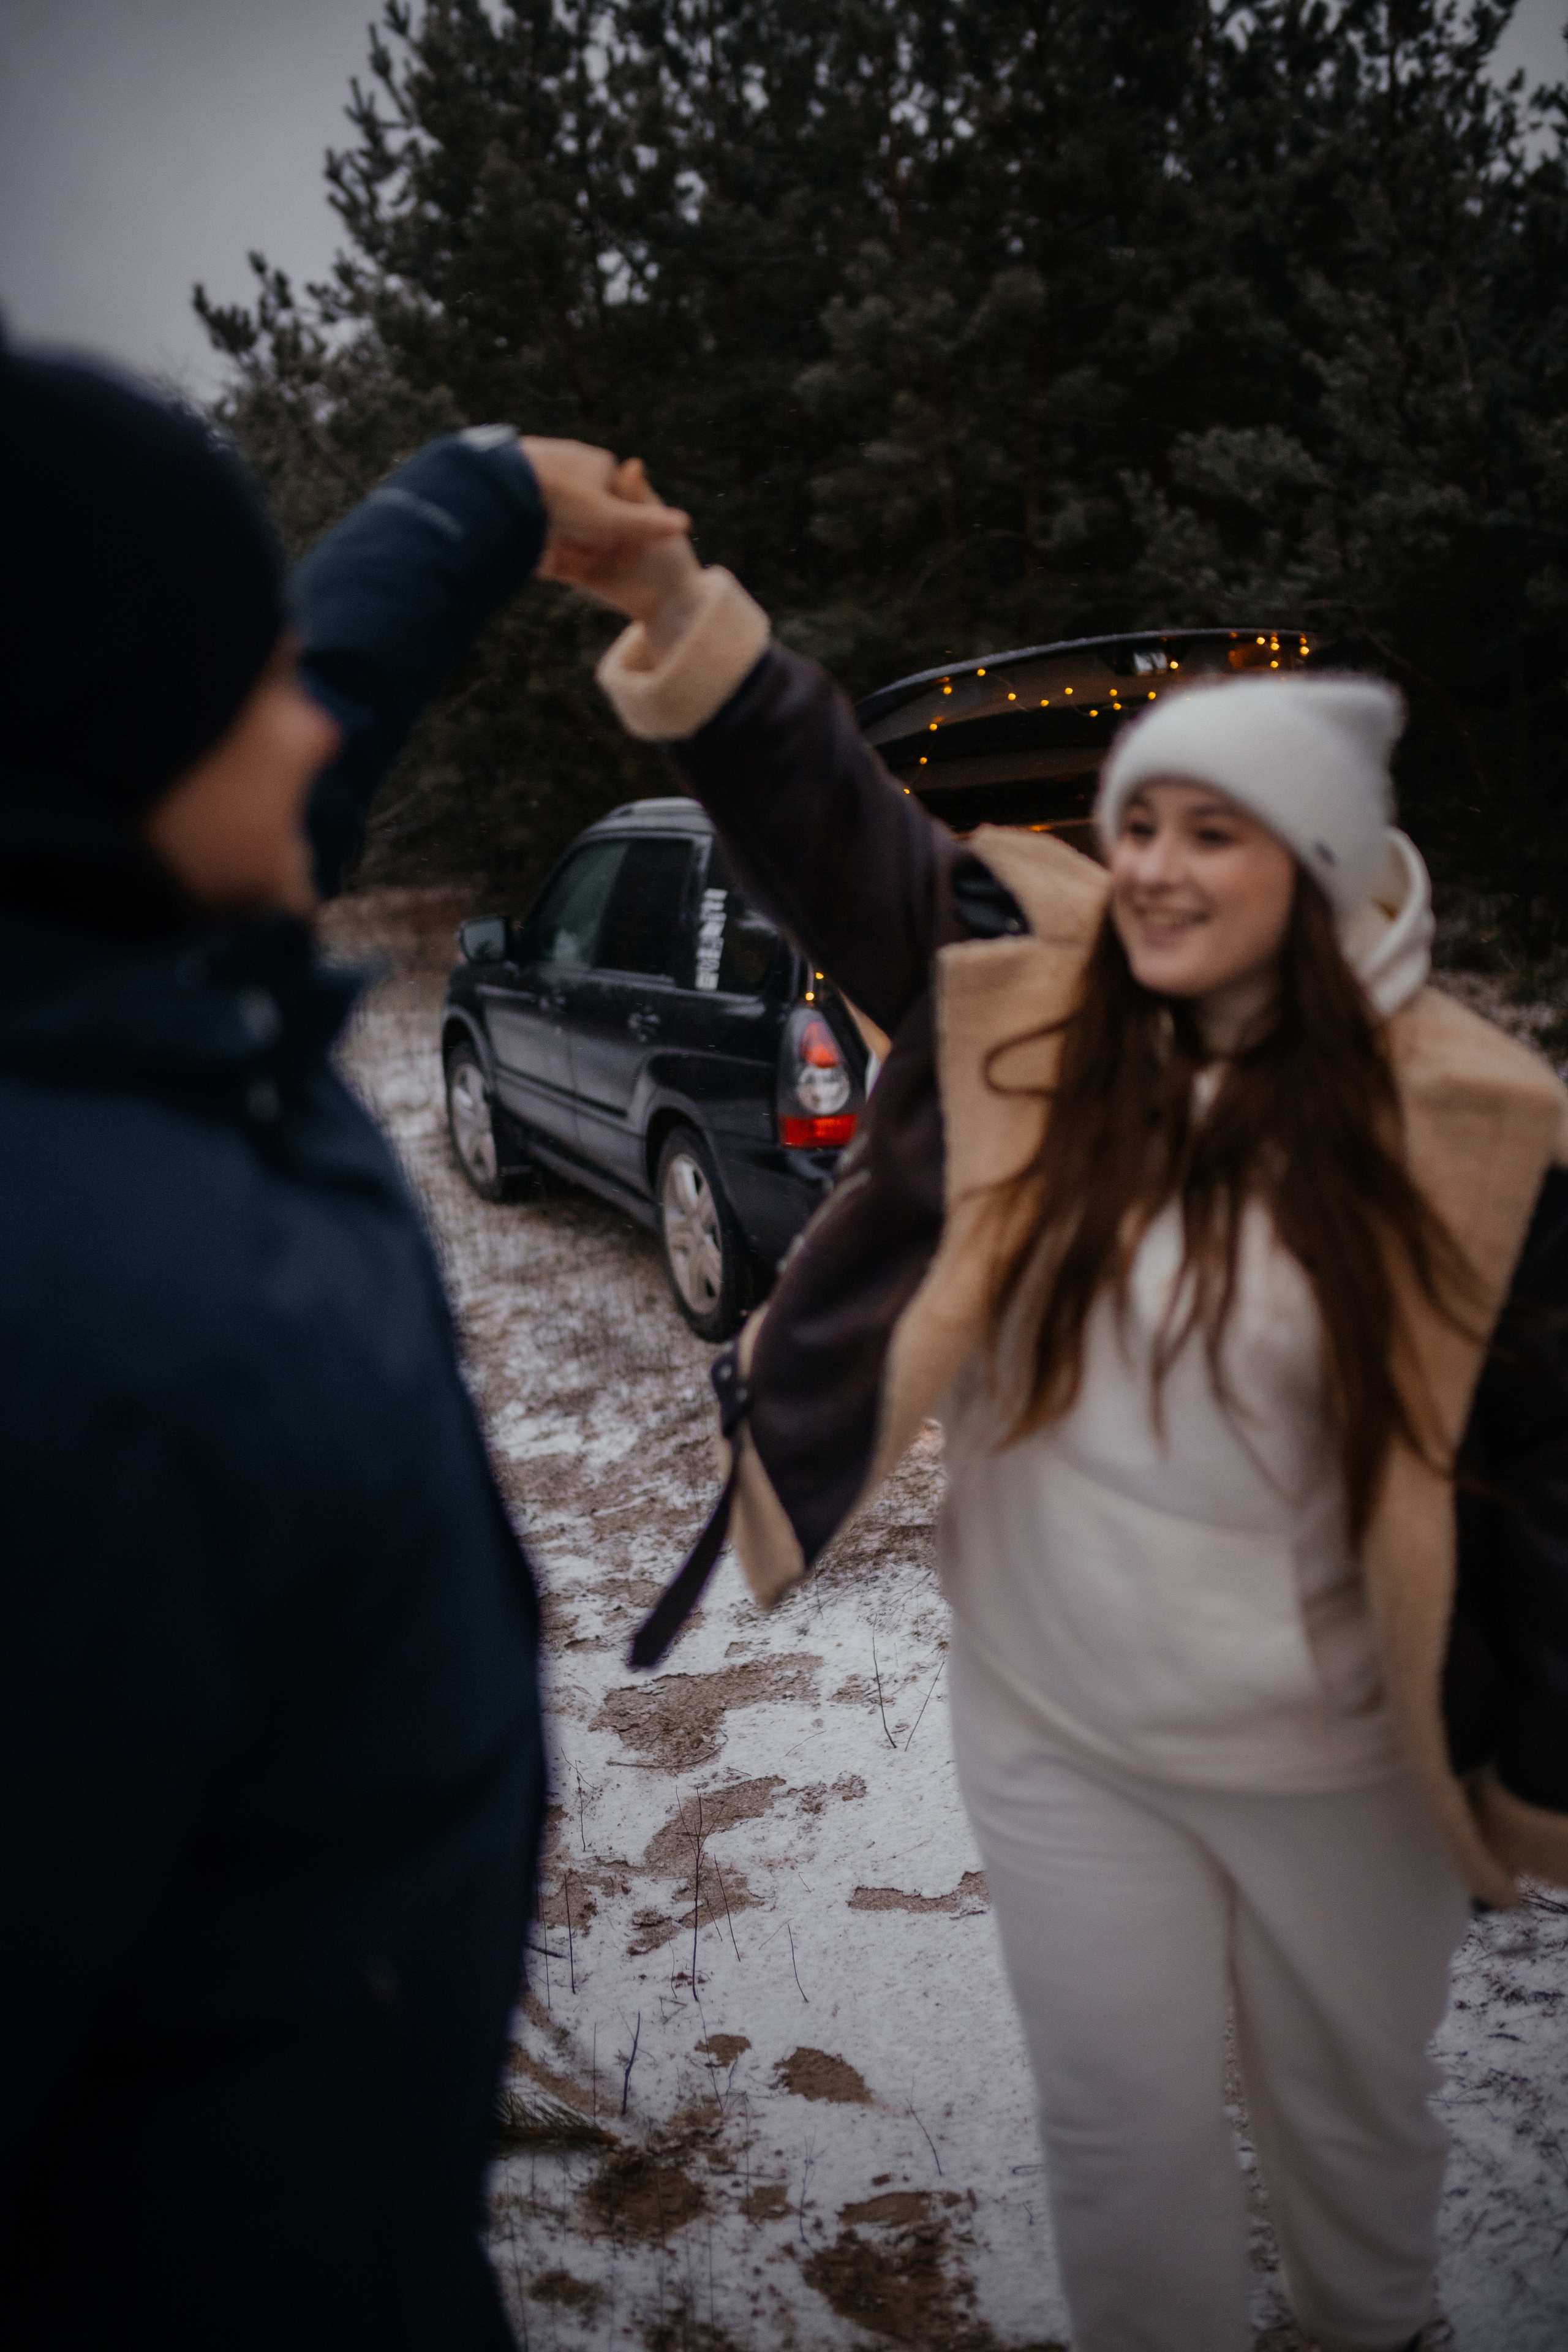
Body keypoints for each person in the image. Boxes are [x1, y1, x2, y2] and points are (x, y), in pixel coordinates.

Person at [556, 485, 1568, 2352]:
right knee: (1122, 2152)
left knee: (1358, 2149)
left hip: (1342, 1757)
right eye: (1143, 827)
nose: (1159, 870)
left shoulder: (1480, 1126)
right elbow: (815, 809)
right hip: (1060, 1730)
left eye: (1219, 832)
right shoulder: (1022, 993)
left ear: (1334, 860)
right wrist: (668, 592)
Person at [0, 336, 687, 2350]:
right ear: (112, 749)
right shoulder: (102, 1353)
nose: (313, 736)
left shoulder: (104, 947)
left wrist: (478, 494)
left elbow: (319, 676)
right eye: (249, 693)